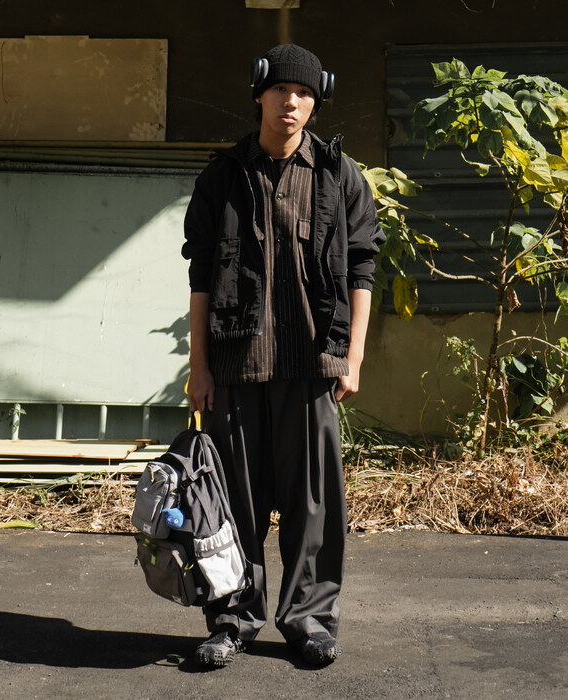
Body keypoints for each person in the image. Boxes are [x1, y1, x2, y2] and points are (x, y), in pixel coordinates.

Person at [182, 43, 385, 668]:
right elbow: (201, 275)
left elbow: (362, 267)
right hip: (237, 366)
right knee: (232, 508)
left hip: (310, 367)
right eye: (280, 91)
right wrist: (199, 365)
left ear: (316, 102)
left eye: (304, 94)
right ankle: (232, 619)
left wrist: (353, 357)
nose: (291, 103)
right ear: (260, 95)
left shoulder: (338, 176)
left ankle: (308, 621)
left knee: (313, 508)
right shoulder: (222, 176)